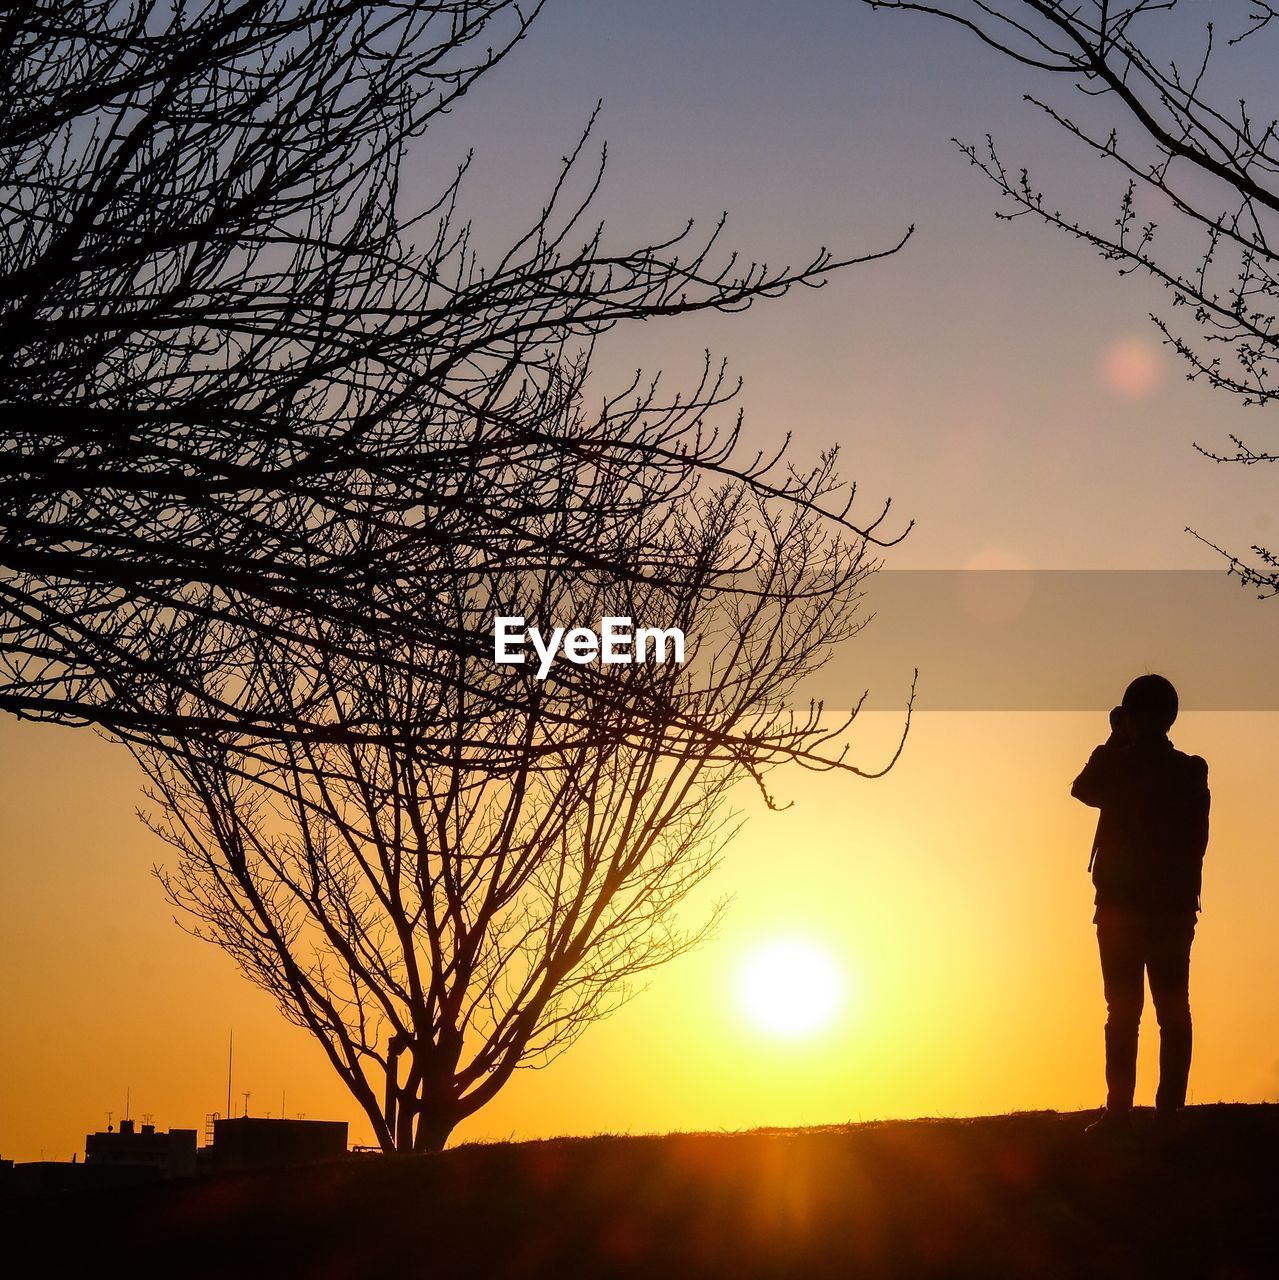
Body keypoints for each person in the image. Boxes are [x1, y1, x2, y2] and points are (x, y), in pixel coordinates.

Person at [1071, 674, 1210, 1133]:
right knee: (1172, 1009)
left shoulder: (1121, 767)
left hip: (1123, 907)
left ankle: (1119, 1112)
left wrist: (1114, 739)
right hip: (1170, 908)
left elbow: (1083, 787)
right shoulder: (1191, 771)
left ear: (1131, 718)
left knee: (1124, 1011)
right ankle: (1169, 1112)